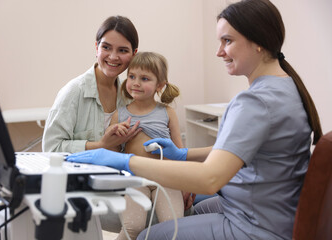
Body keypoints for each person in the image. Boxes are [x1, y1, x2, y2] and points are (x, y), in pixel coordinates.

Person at [66, 0, 322, 239]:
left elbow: (210, 179)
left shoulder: (255, 102)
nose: (219, 51)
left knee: (146, 236)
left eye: (227, 41)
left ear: (259, 42)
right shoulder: (285, 87)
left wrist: (123, 160)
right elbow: (237, 150)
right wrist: (183, 153)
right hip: (267, 208)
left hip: (253, 224)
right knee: (189, 211)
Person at [109, 52, 185, 240]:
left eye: (144, 78)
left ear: (160, 85)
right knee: (132, 228)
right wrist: (114, 134)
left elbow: (180, 151)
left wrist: (185, 183)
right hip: (134, 180)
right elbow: (111, 153)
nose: (136, 83)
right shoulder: (119, 116)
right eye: (132, 77)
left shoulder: (167, 113)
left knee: (173, 228)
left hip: (166, 179)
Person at [42, 16, 141, 153]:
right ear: (96, 47)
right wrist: (100, 145)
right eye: (106, 47)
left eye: (122, 50)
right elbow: (51, 148)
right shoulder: (74, 92)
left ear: (134, 55)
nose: (113, 57)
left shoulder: (129, 97)